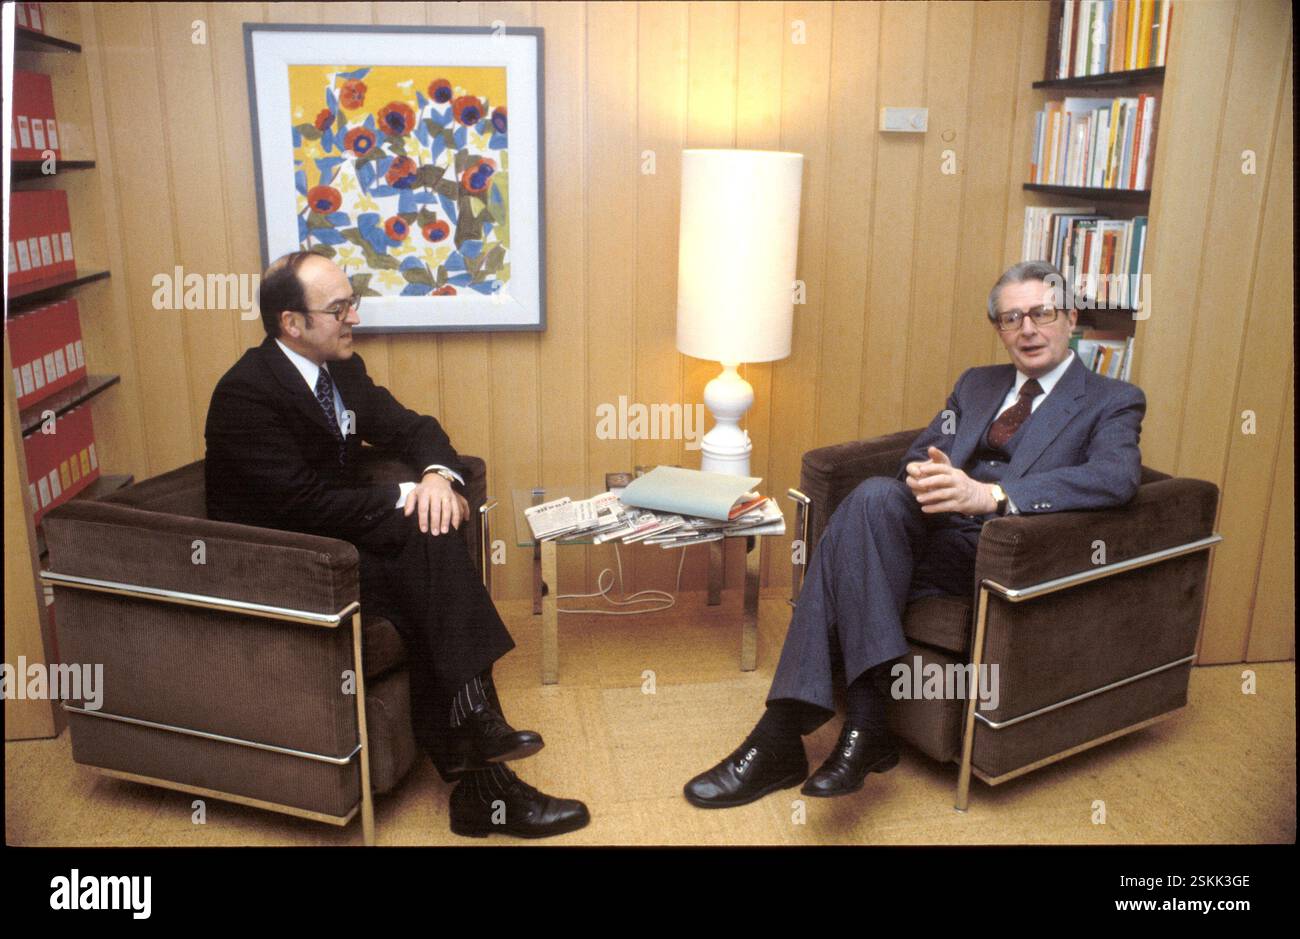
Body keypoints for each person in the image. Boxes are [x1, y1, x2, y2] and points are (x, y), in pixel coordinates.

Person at [683, 260, 1146, 808]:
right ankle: (864, 726)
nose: (1028, 329)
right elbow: (918, 453)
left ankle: (783, 733)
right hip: (931, 529)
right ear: (999, 328)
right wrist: (928, 474)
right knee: (876, 496)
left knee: (843, 549)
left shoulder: (1111, 399)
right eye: (1011, 318)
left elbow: (1115, 477)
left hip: (1002, 548)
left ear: (1069, 317)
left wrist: (991, 495)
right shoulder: (978, 384)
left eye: (1042, 313)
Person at [205, 251, 589, 838]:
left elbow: (415, 428)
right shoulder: (245, 396)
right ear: (292, 323)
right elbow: (300, 503)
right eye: (338, 308)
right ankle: (480, 745)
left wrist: (436, 475)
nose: (353, 315)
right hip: (282, 564)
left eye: (352, 300)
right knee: (425, 538)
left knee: (430, 536)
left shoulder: (341, 371)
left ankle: (478, 756)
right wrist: (407, 496)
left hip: (344, 544)